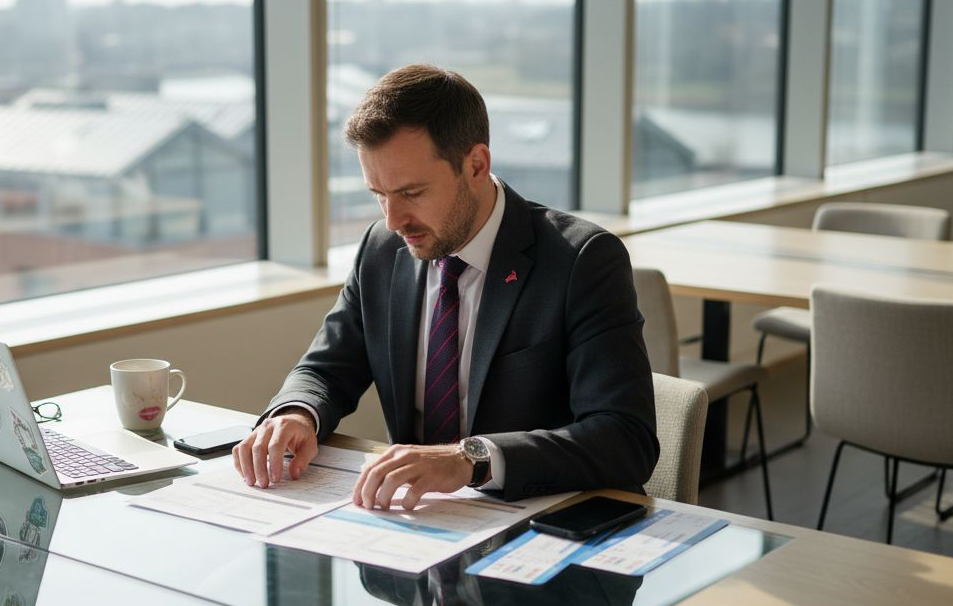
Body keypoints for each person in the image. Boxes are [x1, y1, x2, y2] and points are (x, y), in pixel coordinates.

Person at [232, 64, 657, 508]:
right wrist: (296, 412)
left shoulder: (581, 259)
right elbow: (326, 369)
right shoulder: (381, 249)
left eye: (412, 193)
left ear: (475, 165)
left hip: (545, 524)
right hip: (423, 527)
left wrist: (470, 458)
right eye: (379, 194)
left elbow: (625, 438)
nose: (393, 220)